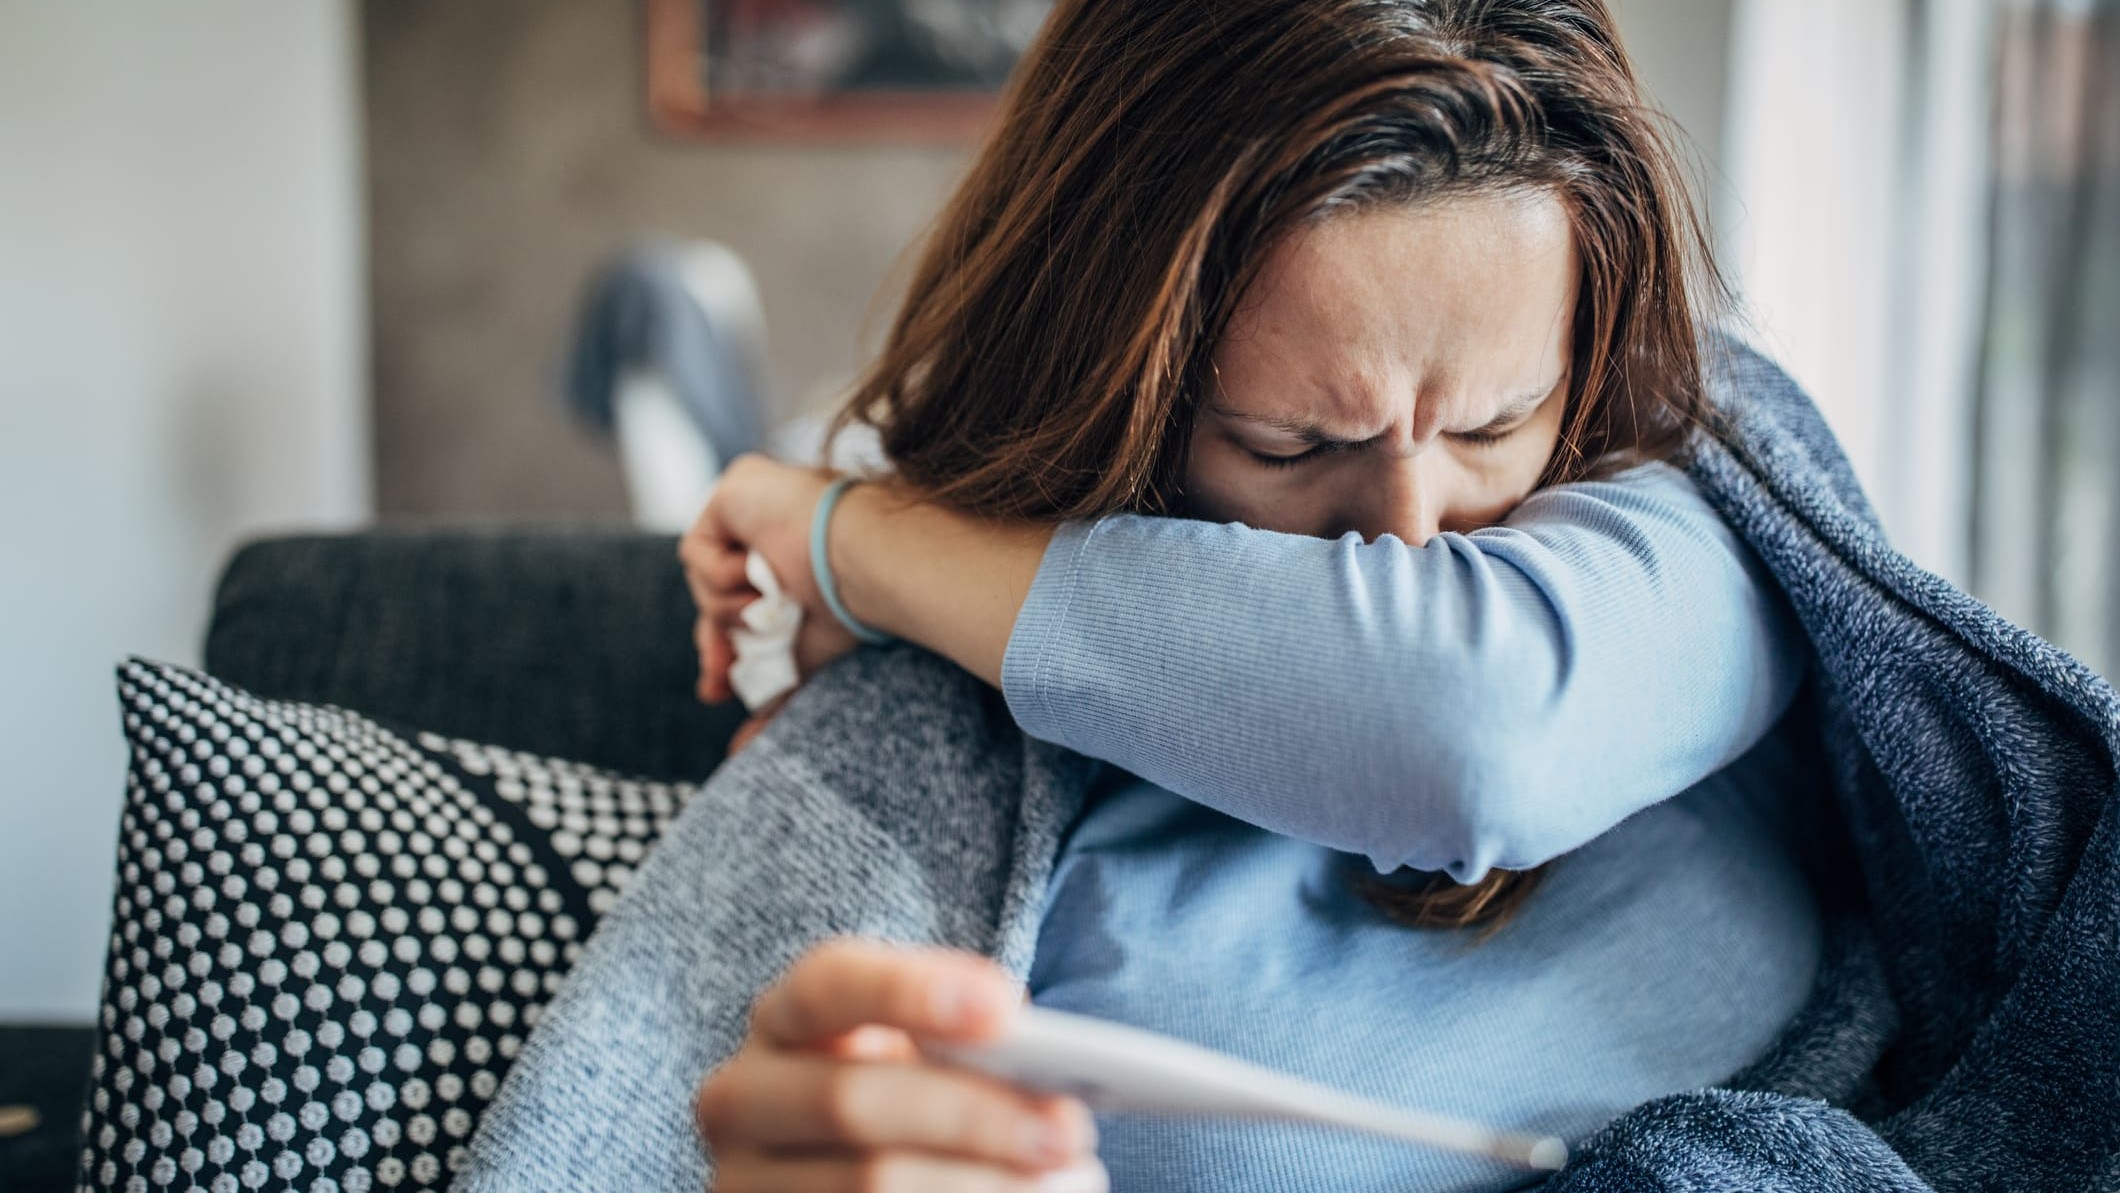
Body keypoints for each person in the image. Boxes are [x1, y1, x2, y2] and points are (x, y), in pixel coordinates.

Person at [679, 1, 1823, 1189]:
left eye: (1491, 426)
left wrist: (852, 540)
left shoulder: (1693, 510)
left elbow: (1471, 728)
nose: (1405, 535)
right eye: (1285, 445)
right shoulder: (941, 718)